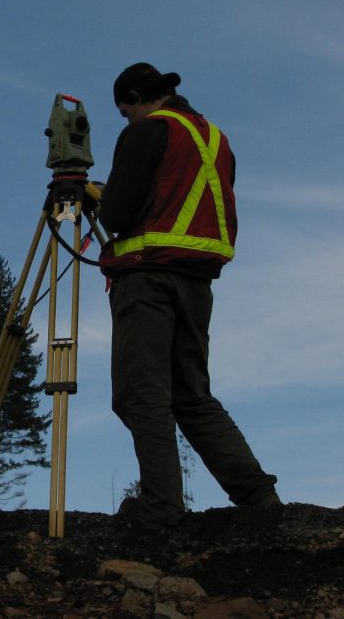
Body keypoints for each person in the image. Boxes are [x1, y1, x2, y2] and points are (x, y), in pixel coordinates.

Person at [98, 62, 281, 528]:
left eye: (125, 112)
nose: (127, 120)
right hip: (196, 282)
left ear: (138, 97)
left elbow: (119, 213)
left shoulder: (147, 132)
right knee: (192, 395)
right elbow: (179, 198)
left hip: (148, 277)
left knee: (142, 395)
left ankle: (161, 511)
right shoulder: (215, 139)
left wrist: (96, 195)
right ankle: (259, 496)